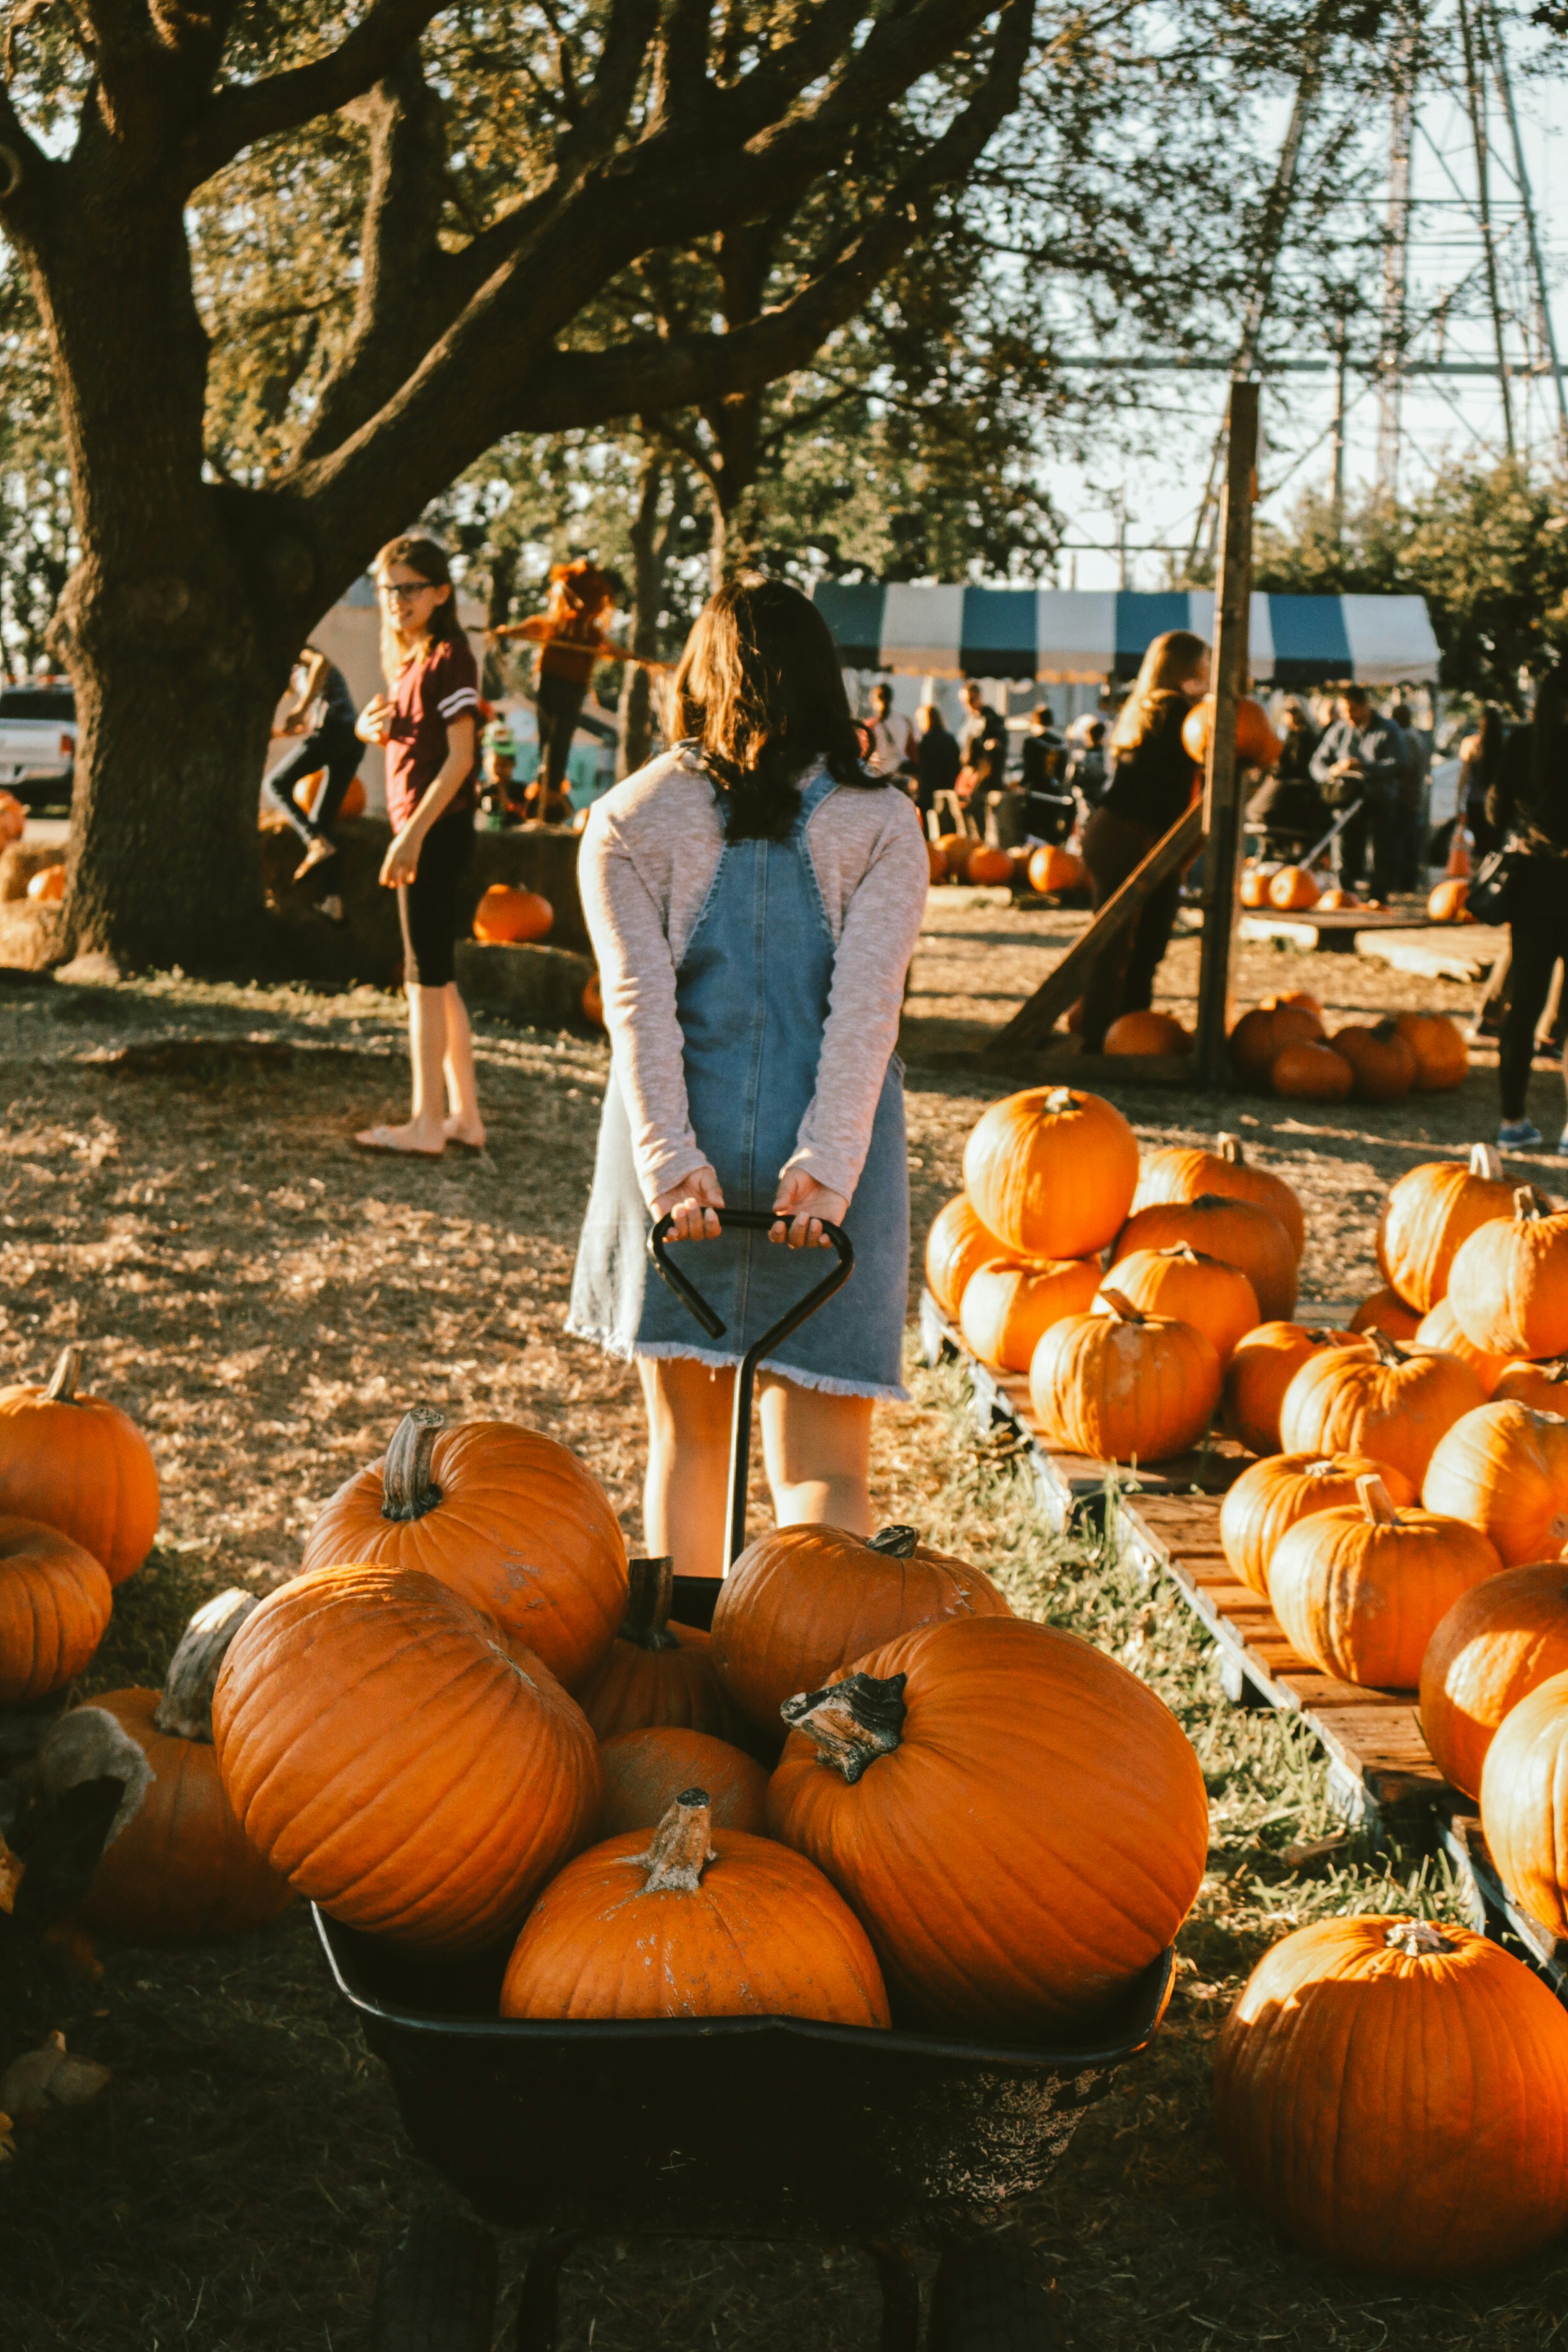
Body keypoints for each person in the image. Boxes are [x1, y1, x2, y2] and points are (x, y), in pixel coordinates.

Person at [567, 577, 929, 1580]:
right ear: (826, 683)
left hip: (684, 1163)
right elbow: (866, 1012)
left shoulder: (629, 818)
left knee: (689, 1446)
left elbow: (638, 1009)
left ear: (701, 678)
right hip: (832, 1171)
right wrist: (827, 1169)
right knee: (825, 1471)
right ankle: (807, 1669)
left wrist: (672, 1167)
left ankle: (683, 1665)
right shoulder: (884, 824)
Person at [353, 535, 485, 1157]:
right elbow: (418, 744)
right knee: (439, 979)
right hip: (426, 829)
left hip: (435, 830)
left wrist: (410, 837)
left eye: (409, 588)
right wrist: (365, 728)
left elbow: (460, 760)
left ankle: (425, 1124)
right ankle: (465, 1118)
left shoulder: (451, 657)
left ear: (440, 593)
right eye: (388, 589)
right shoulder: (411, 664)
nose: (396, 600)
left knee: (421, 982)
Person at [1079, 628, 1210, 1050]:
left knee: (1127, 943)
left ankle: (1116, 1032)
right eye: (1206, 665)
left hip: (1118, 829)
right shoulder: (1174, 712)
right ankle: (1110, 1037)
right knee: (1127, 945)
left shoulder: (1146, 707)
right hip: (1130, 835)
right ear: (1188, 669)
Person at [1485, 666, 1568, 1152]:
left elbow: (1494, 810)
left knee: (1524, 1006)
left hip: (1534, 884)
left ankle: (1513, 1120)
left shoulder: (1523, 744)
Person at [489, 560, 625, 823]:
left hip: (573, 688)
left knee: (560, 741)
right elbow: (535, 628)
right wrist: (507, 632)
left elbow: (611, 649)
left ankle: (550, 793)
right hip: (550, 684)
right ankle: (546, 792)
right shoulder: (556, 625)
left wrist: (632, 657)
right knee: (548, 738)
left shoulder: (590, 634)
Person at [262, 644, 363, 912]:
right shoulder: (302, 682)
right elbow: (307, 726)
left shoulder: (299, 654)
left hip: (335, 730)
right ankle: (332, 900)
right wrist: (278, 732)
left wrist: (299, 707)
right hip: (350, 739)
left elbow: (322, 663)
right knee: (322, 821)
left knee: (275, 783)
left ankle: (313, 841)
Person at [1309, 684, 1404, 899]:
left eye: (1353, 710)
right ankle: (1343, 893)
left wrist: (1365, 767)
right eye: (1345, 711)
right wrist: (1332, 771)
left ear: (1366, 706)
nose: (1349, 716)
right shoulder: (1340, 730)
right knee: (1342, 846)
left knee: (1377, 851)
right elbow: (1317, 763)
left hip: (1377, 799)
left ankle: (1377, 897)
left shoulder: (1389, 730)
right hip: (1346, 798)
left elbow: (1398, 763)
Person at [1246, 698, 1326, 862]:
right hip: (1284, 787)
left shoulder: (1305, 738)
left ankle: (1276, 848)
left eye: (1294, 711)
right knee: (1256, 810)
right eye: (1288, 712)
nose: (1290, 716)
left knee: (1258, 809)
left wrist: (1274, 770)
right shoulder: (1289, 736)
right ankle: (1273, 847)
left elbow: (1294, 766)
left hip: (1294, 792)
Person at [1391, 699, 1433, 889]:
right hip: (1415, 794)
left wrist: (1397, 787)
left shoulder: (1406, 738)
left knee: (1403, 839)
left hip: (1406, 796)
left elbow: (1406, 768)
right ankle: (1408, 878)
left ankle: (1405, 880)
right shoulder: (1416, 736)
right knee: (1409, 838)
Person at [1460, 705, 1509, 861]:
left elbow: (1464, 778)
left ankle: (1478, 880)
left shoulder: (1471, 744)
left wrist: (1459, 804)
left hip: (1475, 803)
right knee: (1496, 848)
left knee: (1479, 847)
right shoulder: (1505, 745)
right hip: (1498, 804)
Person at [914, 701, 961, 819]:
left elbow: (920, 766)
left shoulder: (926, 740)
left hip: (928, 792)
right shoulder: (950, 739)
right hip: (948, 789)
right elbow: (957, 765)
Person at [864, 682, 915, 779]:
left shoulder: (870, 725)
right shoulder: (905, 721)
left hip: (877, 776)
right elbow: (912, 751)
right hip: (900, 776)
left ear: (874, 701)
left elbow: (864, 755)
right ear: (892, 699)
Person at [959, 681, 1008, 778]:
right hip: (970, 771)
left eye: (971, 700)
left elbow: (999, 744)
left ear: (979, 697)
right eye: (964, 702)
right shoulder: (969, 719)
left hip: (984, 774)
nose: (968, 705)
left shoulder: (991, 719)